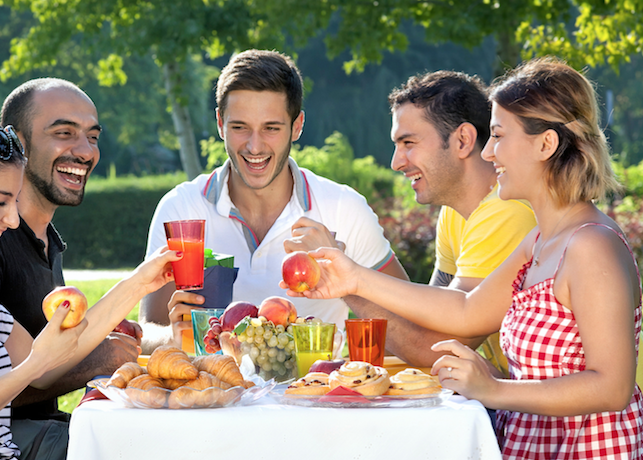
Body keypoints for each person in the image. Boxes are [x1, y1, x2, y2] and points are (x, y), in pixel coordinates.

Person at [286, 57, 643, 458]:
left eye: (499, 136)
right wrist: (352, 279)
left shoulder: (592, 246)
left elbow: (612, 387)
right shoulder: (541, 240)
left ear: (545, 144)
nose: (488, 153)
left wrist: (494, 389)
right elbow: (465, 309)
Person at [0, 113, 179, 459]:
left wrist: (139, 283)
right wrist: (29, 368)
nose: (11, 220)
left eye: (14, 201)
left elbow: (47, 364)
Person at [139, 49, 409, 346]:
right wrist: (173, 337)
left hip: (313, 391)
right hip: (213, 390)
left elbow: (408, 322)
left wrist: (346, 282)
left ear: (297, 126)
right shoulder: (179, 208)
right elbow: (148, 330)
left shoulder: (345, 209)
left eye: (271, 128)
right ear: (219, 123)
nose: (255, 147)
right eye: (239, 127)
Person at [0, 78, 159, 457]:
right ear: (18, 142)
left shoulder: (47, 243)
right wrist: (96, 361)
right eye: (64, 133)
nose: (85, 151)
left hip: (46, 431)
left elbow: (42, 361)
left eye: (92, 136)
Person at [363, 71, 536, 371]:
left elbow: (436, 350)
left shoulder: (507, 211)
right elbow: (428, 322)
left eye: (408, 142)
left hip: (548, 413)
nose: (396, 162)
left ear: (463, 141)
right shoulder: (456, 212)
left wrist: (346, 284)